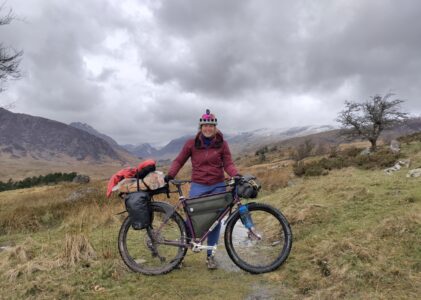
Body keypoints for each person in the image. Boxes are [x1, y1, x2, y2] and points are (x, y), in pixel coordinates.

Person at [165, 109, 240, 269]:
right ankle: (180, 256)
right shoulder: (191, 143)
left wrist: (236, 174)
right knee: (192, 220)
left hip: (218, 185)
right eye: (205, 125)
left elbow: (228, 163)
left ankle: (210, 257)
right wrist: (170, 175)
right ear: (201, 127)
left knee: (216, 220)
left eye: (211, 126)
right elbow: (179, 161)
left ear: (215, 127)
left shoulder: (222, 144)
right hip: (198, 185)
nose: (208, 128)